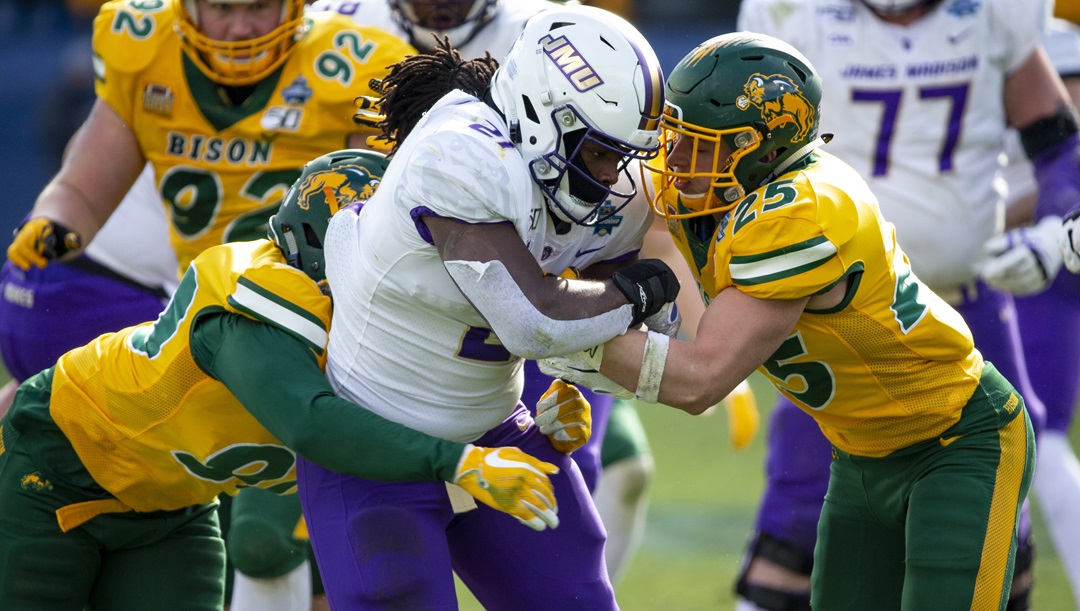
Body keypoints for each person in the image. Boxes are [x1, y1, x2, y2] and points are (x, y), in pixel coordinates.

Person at [542, 32, 1036, 610]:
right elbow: (649, 269)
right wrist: (578, 364)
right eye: (674, 139)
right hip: (858, 455)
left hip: (957, 440)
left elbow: (700, 377)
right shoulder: (719, 191)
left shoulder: (801, 209)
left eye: (696, 146)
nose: (672, 161)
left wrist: (549, 332)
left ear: (758, 148)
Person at [0, 149, 569, 610]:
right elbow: (312, 421)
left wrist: (526, 427)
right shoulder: (258, 301)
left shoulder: (371, 337)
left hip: (173, 507)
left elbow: (408, 424)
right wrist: (460, 462)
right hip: (60, 467)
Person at [3, 1, 420, 608]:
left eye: (258, 7)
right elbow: (84, 184)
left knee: (273, 535)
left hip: (327, 329)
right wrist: (56, 222)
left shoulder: (353, 65)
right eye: (224, 8)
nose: (242, 28)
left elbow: (380, 212)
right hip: (210, 320)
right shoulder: (145, 50)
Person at [297, 6, 677, 609]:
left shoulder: (602, 186)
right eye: (600, 151)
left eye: (623, 154)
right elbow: (537, 319)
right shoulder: (462, 154)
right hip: (374, 447)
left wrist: (589, 365)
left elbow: (629, 328)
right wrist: (643, 292)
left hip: (498, 432)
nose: (613, 174)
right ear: (543, 115)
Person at [726, 1, 1080, 608]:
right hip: (841, 317)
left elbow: (1059, 146)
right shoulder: (794, 15)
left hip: (967, 309)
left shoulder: (995, 14)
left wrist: (1057, 232)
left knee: (997, 546)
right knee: (793, 533)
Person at [991, 10, 1080, 605]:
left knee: (1035, 441)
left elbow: (1067, 175)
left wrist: (979, 229)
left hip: (1045, 265)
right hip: (1014, 264)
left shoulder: (1049, 46)